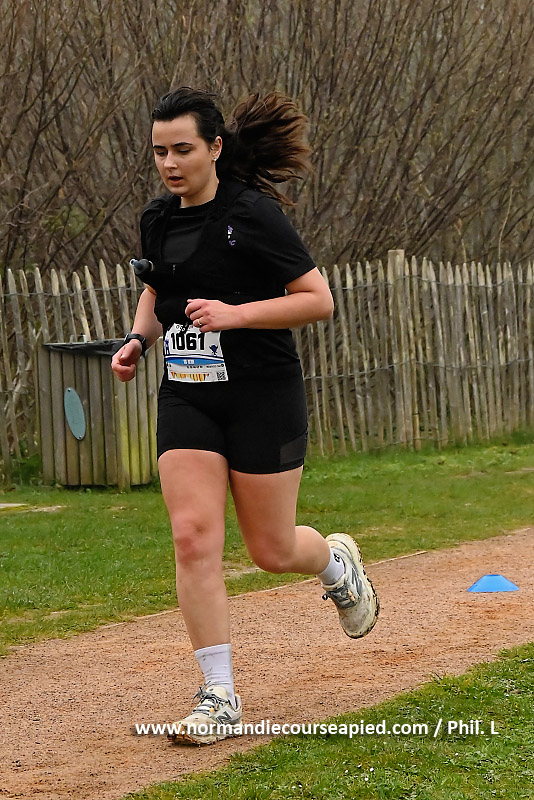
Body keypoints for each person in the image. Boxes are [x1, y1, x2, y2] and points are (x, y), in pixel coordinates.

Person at [111, 87, 379, 745]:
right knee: (193, 535)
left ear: (214, 148)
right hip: (188, 393)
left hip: (262, 393)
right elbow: (158, 288)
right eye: (159, 152)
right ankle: (218, 696)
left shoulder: (252, 214)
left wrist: (235, 315)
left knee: (272, 549)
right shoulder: (157, 218)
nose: (169, 163)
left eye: (182, 149)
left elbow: (317, 300)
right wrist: (139, 339)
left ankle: (334, 563)